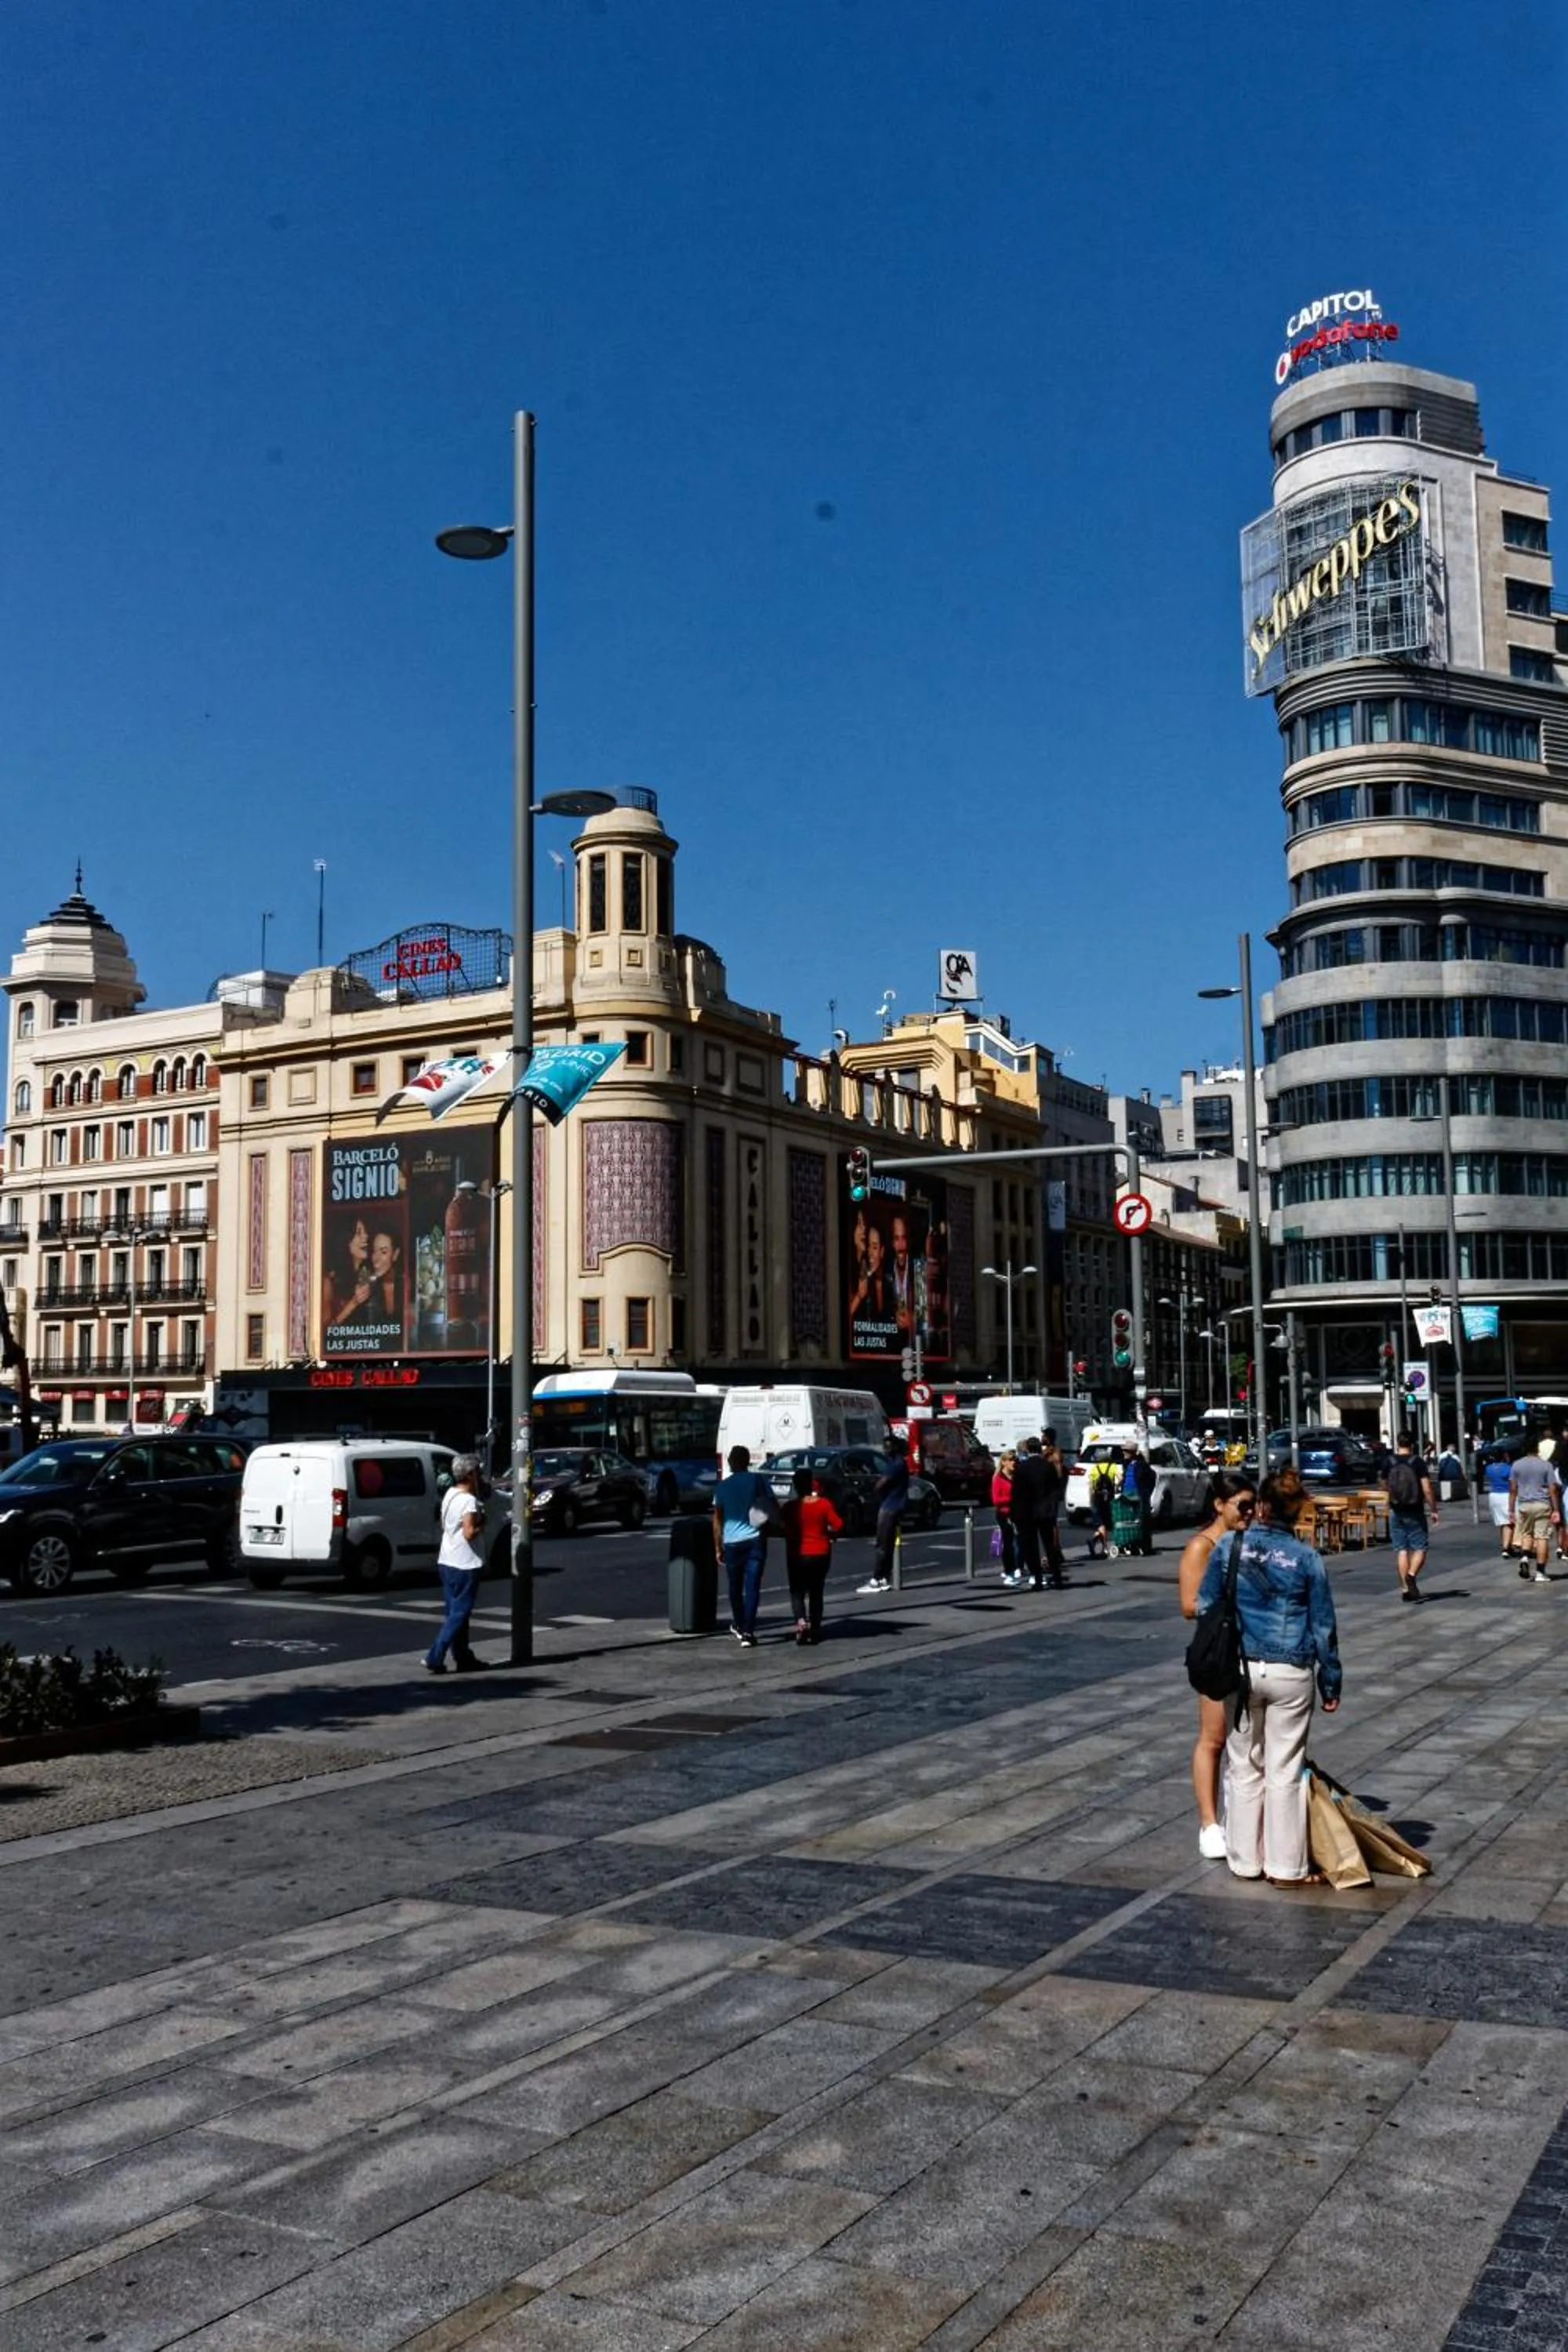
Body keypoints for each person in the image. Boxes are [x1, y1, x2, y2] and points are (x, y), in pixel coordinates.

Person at [1196, 1469, 1341, 1886]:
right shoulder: (1307, 1558)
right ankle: (1286, 1867)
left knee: (1244, 1764)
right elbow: (1323, 1626)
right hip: (1291, 1670)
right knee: (1285, 1769)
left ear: (1260, 1506)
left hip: (1241, 1667)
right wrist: (1330, 1680)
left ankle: (1244, 1860)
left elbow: (1205, 1604)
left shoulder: (1230, 1546)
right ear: (1296, 1512)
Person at [1178, 1472, 1258, 1860]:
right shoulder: (1202, 1546)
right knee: (1213, 1738)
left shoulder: (1249, 1542)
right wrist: (1230, 1600)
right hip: (1219, 1649)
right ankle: (1209, 1824)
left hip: (1251, 1648)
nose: (1250, 1513)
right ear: (1219, 1505)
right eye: (1242, 1505)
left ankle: (1241, 1817)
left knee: (1247, 1740)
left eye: (1254, 1505)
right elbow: (1188, 1604)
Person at [423, 1454, 488, 1675]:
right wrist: (482, 1524)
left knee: (454, 1612)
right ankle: (435, 1656)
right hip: (465, 1563)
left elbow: (446, 1525)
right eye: (478, 1472)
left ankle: (463, 1657)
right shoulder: (469, 1501)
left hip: (447, 1560)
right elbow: (469, 1533)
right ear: (470, 1475)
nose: (480, 1476)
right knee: (460, 1613)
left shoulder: (450, 1495)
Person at [712, 1443, 775, 1645]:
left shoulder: (722, 1487)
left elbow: (717, 1520)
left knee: (735, 1587)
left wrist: (718, 1547)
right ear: (748, 1461)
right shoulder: (758, 1480)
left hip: (732, 1542)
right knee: (752, 1587)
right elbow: (771, 1505)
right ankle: (748, 1631)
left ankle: (739, 1624)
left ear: (731, 1462)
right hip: (755, 1539)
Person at [782, 1468, 842, 1643]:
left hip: (797, 1553)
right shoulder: (824, 1504)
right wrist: (829, 1534)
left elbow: (779, 1525)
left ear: (795, 1486)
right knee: (816, 1591)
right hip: (820, 1552)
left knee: (797, 1591)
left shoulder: (789, 1508)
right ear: (811, 1484)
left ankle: (801, 1623)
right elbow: (838, 1524)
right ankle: (815, 1627)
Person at [1385, 1429, 1438, 1601]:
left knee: (1401, 1550)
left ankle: (1406, 1590)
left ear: (1398, 1443)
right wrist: (1434, 1509)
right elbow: (1427, 1489)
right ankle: (1411, 1575)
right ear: (1412, 1444)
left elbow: (1384, 1485)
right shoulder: (1417, 1462)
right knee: (1420, 1547)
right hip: (1415, 1510)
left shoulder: (1389, 1462)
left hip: (1396, 1509)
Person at [858, 1436, 910, 1595]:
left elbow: (881, 1484)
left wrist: (874, 1487)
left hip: (889, 1507)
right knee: (887, 1545)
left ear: (895, 1448)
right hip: (894, 1506)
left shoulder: (896, 1465)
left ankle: (876, 1579)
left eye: (888, 1447)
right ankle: (884, 1578)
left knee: (882, 1545)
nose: (885, 1450)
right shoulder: (899, 1463)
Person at [1508, 1441, 1561, 1584]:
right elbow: (1552, 1489)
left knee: (1526, 1533)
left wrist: (1511, 1510)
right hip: (1542, 1504)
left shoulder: (1516, 1465)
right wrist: (1556, 1509)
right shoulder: (1546, 1465)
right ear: (1537, 1450)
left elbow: (1513, 1489)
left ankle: (1525, 1557)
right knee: (1542, 1537)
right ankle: (1540, 1572)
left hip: (1524, 1505)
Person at [1121, 1441, 1157, 1555]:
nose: (1123, 1453)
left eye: (1126, 1451)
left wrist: (1146, 1492)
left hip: (1139, 1495)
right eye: (1124, 1450)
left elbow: (1152, 1476)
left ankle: (1146, 1547)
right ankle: (1132, 1545)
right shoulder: (1126, 1463)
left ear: (1131, 1452)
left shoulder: (1141, 1464)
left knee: (1143, 1521)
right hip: (1127, 1495)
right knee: (1130, 1521)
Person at [1483, 1446, 1518, 1561]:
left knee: (1502, 1522)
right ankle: (1506, 1548)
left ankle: (1506, 1544)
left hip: (1494, 1495)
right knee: (1509, 1522)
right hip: (1506, 1495)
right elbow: (1513, 1483)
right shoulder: (1509, 1468)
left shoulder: (1489, 1468)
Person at [992, 1448, 1019, 1584]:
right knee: (1008, 1543)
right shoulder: (998, 1479)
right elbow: (996, 1500)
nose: (1013, 1462)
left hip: (1016, 1513)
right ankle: (1009, 1571)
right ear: (1003, 1462)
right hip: (1004, 1514)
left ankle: (1018, 1567)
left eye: (1015, 1460)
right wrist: (1012, 1499)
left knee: (1020, 1542)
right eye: (1010, 1460)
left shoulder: (1016, 1476)